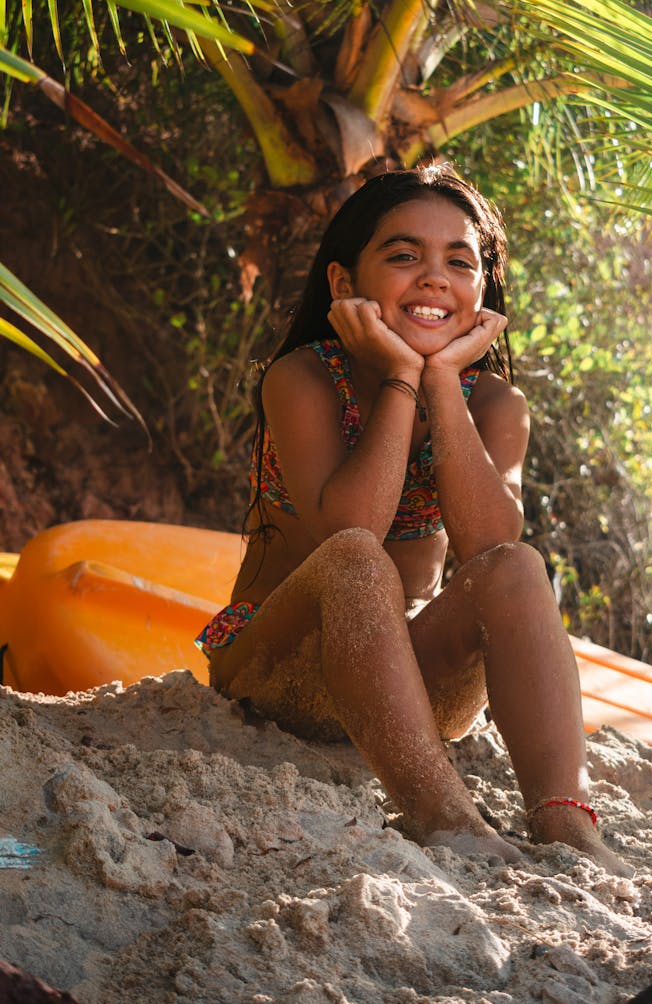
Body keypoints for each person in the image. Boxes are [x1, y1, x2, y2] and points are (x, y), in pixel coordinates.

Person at [196, 162, 628, 873]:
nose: (433, 278)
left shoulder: (493, 405)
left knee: (518, 566)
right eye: (403, 256)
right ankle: (443, 815)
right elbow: (350, 529)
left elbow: (490, 542)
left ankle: (567, 824)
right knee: (358, 561)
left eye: (459, 262)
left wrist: (442, 385)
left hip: (412, 694)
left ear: (482, 291)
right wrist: (401, 377)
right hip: (278, 669)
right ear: (343, 285)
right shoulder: (303, 378)